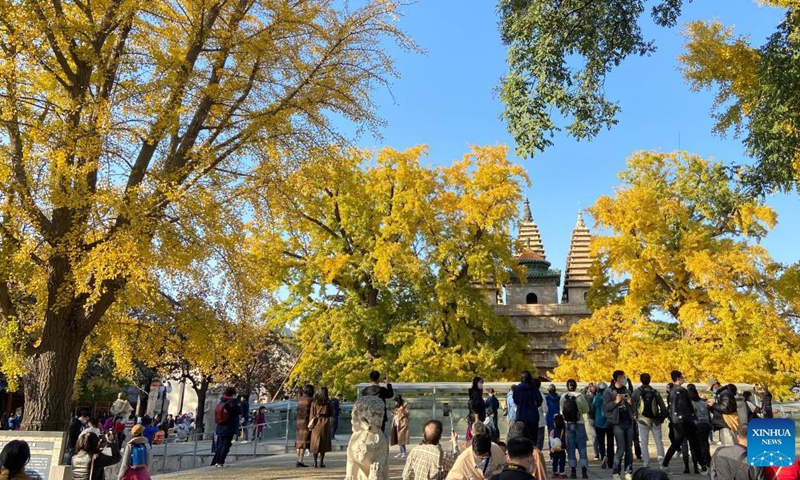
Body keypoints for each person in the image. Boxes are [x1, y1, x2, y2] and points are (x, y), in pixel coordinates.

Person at [661, 371, 704, 474]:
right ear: (678, 378)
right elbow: (685, 406)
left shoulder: (671, 391)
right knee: (694, 443)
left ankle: (665, 464)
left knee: (676, 443)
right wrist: (691, 416)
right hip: (685, 421)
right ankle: (703, 465)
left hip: (676, 421)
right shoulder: (682, 391)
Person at [631, 373, 667, 469]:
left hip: (642, 420)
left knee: (644, 442)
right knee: (659, 441)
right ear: (650, 380)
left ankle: (646, 464)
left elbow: (632, 405)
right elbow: (663, 407)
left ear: (641, 380)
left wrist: (635, 416)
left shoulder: (637, 392)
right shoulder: (655, 392)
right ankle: (661, 463)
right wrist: (662, 418)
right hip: (655, 420)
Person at [604, 370, 634, 480]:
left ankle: (628, 471)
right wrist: (616, 401)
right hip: (618, 423)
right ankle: (616, 472)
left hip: (628, 422)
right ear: (617, 378)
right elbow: (606, 407)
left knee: (629, 449)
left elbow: (634, 408)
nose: (624, 379)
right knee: (620, 448)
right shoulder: (609, 391)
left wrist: (630, 402)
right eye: (622, 377)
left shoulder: (627, 390)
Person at [560, 379, 590, 479]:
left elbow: (561, 411)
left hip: (568, 424)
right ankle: (584, 472)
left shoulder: (563, 397)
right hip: (580, 423)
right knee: (582, 448)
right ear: (576, 386)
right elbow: (586, 410)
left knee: (571, 448)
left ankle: (573, 471)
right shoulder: (580, 396)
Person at [211, 386, 242, 468]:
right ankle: (221, 462)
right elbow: (239, 411)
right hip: (229, 426)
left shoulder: (221, 401)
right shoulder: (233, 402)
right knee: (226, 444)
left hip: (220, 426)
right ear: (233, 394)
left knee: (221, 444)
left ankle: (217, 462)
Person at [510, 372, 542, 446]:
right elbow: (539, 402)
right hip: (533, 417)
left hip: (521, 416)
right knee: (533, 440)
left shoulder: (517, 389)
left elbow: (516, 401)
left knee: (522, 439)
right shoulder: (534, 389)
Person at [689, 383, 712, 473]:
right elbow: (708, 415)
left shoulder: (691, 404)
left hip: (696, 425)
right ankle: (708, 461)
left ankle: (699, 463)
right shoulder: (703, 403)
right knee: (705, 444)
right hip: (705, 425)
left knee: (696, 446)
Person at [707, 378, 738, 446]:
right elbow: (720, 409)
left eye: (712, 388)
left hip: (727, 423)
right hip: (723, 422)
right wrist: (711, 407)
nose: (712, 390)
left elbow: (726, 408)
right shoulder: (721, 394)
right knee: (727, 445)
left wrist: (713, 404)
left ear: (716, 385)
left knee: (730, 445)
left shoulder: (725, 393)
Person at [593, 382, 613, 469]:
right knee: (610, 442)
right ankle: (611, 460)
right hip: (609, 422)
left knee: (601, 442)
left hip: (599, 422)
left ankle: (603, 456)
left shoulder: (596, 397)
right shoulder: (610, 397)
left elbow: (593, 408)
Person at [295, 384, 314, 468]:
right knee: (303, 442)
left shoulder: (300, 399)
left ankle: (298, 459)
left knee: (299, 441)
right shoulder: (310, 400)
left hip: (299, 422)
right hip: (306, 422)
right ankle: (300, 460)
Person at [549, 414, 567, 478]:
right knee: (562, 461)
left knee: (555, 461)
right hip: (562, 449)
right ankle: (562, 472)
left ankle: (555, 472)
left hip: (554, 449)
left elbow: (551, 440)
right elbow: (566, 440)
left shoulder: (552, 431)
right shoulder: (564, 431)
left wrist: (551, 447)